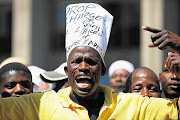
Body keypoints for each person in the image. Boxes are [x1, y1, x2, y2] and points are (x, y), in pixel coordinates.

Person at [0, 3, 179, 120]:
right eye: (76, 61)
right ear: (67, 70)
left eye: (91, 62)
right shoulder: (39, 105)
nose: (83, 67)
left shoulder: (132, 105)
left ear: (102, 70)